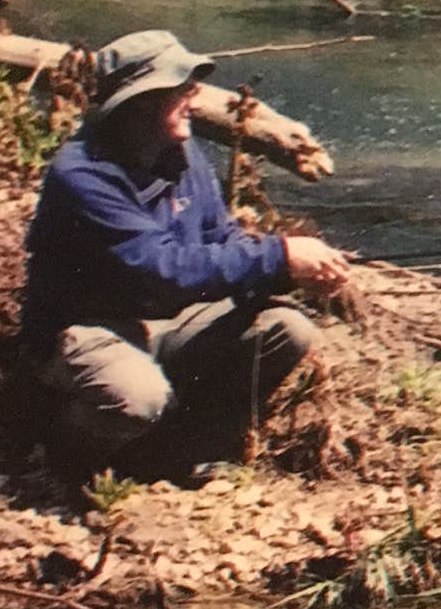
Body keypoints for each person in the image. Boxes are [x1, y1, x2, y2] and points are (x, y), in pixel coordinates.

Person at [20, 29, 352, 478]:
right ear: (139, 101)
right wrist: (278, 255)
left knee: (285, 328)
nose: (194, 98)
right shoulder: (83, 174)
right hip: (87, 327)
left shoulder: (181, 150)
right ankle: (64, 455)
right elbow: (161, 267)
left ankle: (171, 455)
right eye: (181, 87)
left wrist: (291, 272)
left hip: (165, 318)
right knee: (138, 398)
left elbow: (221, 239)